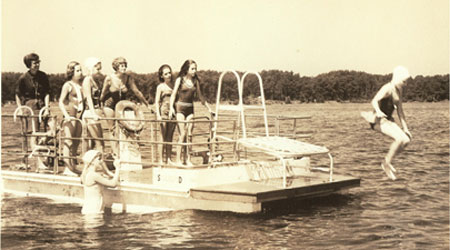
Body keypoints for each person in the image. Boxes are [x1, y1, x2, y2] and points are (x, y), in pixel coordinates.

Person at [361, 65, 411, 180]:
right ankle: (386, 163)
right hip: (378, 120)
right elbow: (374, 100)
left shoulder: (399, 90)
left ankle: (389, 160)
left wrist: (406, 128)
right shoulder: (387, 88)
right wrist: (378, 111)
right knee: (399, 139)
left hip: (387, 119)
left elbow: (400, 111)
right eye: (404, 81)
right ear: (398, 78)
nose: (406, 84)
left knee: (406, 140)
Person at [99, 57, 151, 154]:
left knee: (123, 129)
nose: (124, 67)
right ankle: (115, 153)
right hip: (109, 104)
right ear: (116, 67)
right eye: (121, 65)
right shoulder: (109, 78)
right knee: (113, 129)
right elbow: (103, 93)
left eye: (125, 65)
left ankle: (122, 151)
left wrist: (147, 105)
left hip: (121, 104)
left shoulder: (128, 78)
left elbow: (137, 92)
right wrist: (99, 106)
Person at [169, 60, 211, 166]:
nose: (194, 71)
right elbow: (173, 94)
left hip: (190, 109)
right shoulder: (180, 80)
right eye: (192, 68)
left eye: (195, 68)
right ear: (187, 69)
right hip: (180, 108)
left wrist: (209, 108)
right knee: (182, 134)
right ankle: (178, 160)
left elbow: (201, 97)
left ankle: (187, 159)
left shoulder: (195, 81)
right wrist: (171, 108)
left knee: (189, 135)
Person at [15, 53, 50, 149]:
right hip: (30, 107)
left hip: (42, 106)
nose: (38, 65)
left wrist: (47, 108)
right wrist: (20, 109)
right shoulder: (23, 78)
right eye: (35, 63)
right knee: (34, 132)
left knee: (48, 130)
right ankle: (33, 155)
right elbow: (18, 94)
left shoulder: (43, 76)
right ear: (29, 64)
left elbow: (47, 93)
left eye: (38, 62)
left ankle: (43, 154)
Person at [59, 61, 85, 175]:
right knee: (68, 141)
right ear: (72, 72)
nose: (80, 73)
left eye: (80, 70)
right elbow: (60, 101)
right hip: (70, 116)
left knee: (76, 142)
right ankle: (67, 168)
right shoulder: (68, 85)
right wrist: (66, 115)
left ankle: (72, 166)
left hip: (79, 116)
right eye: (77, 70)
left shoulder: (81, 85)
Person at [80, 150, 120, 214]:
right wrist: (117, 168)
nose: (101, 161)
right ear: (92, 161)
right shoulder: (93, 175)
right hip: (93, 211)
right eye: (99, 159)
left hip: (91, 209)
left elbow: (108, 175)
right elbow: (113, 184)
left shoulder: (88, 174)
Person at [154, 64, 176, 165]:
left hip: (172, 112)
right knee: (162, 136)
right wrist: (158, 115)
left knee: (170, 137)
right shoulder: (160, 87)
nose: (169, 75)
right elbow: (157, 101)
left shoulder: (174, 85)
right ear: (162, 76)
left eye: (169, 72)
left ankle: (168, 158)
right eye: (166, 73)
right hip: (163, 112)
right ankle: (160, 160)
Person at [82, 57, 105, 152]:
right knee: (99, 143)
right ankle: (102, 165)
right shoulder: (88, 80)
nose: (99, 71)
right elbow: (88, 98)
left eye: (100, 69)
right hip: (90, 113)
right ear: (91, 68)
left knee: (93, 142)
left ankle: (91, 163)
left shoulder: (97, 81)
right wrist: (93, 114)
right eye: (97, 69)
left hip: (96, 112)